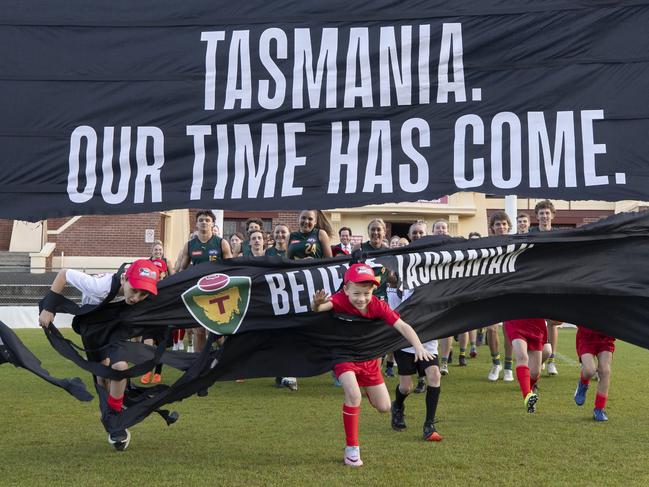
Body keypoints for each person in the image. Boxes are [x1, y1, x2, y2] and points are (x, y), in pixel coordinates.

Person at [311, 263, 436, 467]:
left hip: (368, 359)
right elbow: (321, 307)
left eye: (366, 293)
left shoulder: (378, 305)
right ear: (346, 289)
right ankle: (352, 449)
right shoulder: (339, 299)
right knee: (353, 396)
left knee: (385, 407)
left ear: (373, 291)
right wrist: (316, 304)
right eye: (357, 293)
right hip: (343, 355)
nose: (362, 298)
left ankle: (368, 389)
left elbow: (403, 326)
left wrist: (419, 347)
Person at [38, 259, 159, 451]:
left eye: (143, 294)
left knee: (119, 369)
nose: (136, 297)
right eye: (134, 290)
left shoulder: (142, 293)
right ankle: (111, 413)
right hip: (92, 328)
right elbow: (64, 273)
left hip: (115, 328)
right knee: (102, 375)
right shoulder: (99, 287)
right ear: (125, 279)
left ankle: (114, 417)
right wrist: (49, 307)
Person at [177, 210, 233, 376]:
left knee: (219, 330)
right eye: (201, 220)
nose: (203, 222)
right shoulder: (190, 245)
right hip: (199, 292)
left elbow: (231, 268)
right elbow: (182, 269)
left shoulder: (221, 243)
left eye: (207, 220)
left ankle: (225, 361)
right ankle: (200, 364)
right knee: (199, 330)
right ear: (196, 224)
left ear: (212, 224)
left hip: (219, 292)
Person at [530, 200, 560, 376]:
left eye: (547, 213)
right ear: (537, 216)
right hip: (535, 282)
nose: (544, 216)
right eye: (541, 213)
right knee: (535, 318)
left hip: (553, 281)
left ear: (553, 215)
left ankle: (551, 360)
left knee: (552, 321)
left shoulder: (559, 235)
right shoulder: (530, 234)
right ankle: (537, 356)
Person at [485, 212, 514, 382]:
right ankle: (496, 363)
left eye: (504, 224)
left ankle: (508, 367)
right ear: (492, 228)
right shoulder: (486, 245)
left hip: (509, 292)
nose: (501, 227)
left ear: (508, 226)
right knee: (491, 328)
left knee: (508, 330)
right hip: (491, 291)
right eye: (497, 224)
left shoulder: (514, 243)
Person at [141, 241, 175, 383]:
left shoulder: (167, 262)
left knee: (160, 344)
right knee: (147, 343)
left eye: (160, 249)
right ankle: (147, 370)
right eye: (156, 249)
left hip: (163, 310)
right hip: (149, 309)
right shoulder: (145, 264)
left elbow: (175, 279)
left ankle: (158, 373)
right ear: (152, 251)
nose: (158, 251)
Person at [573, 326, 615, 421]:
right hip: (586, 337)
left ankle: (599, 409)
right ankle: (583, 384)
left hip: (606, 337)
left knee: (605, 371)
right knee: (589, 370)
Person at [503, 317, 545, 413]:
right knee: (522, 357)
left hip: (536, 325)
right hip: (516, 321)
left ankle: (529, 394)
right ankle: (527, 396)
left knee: (535, 372)